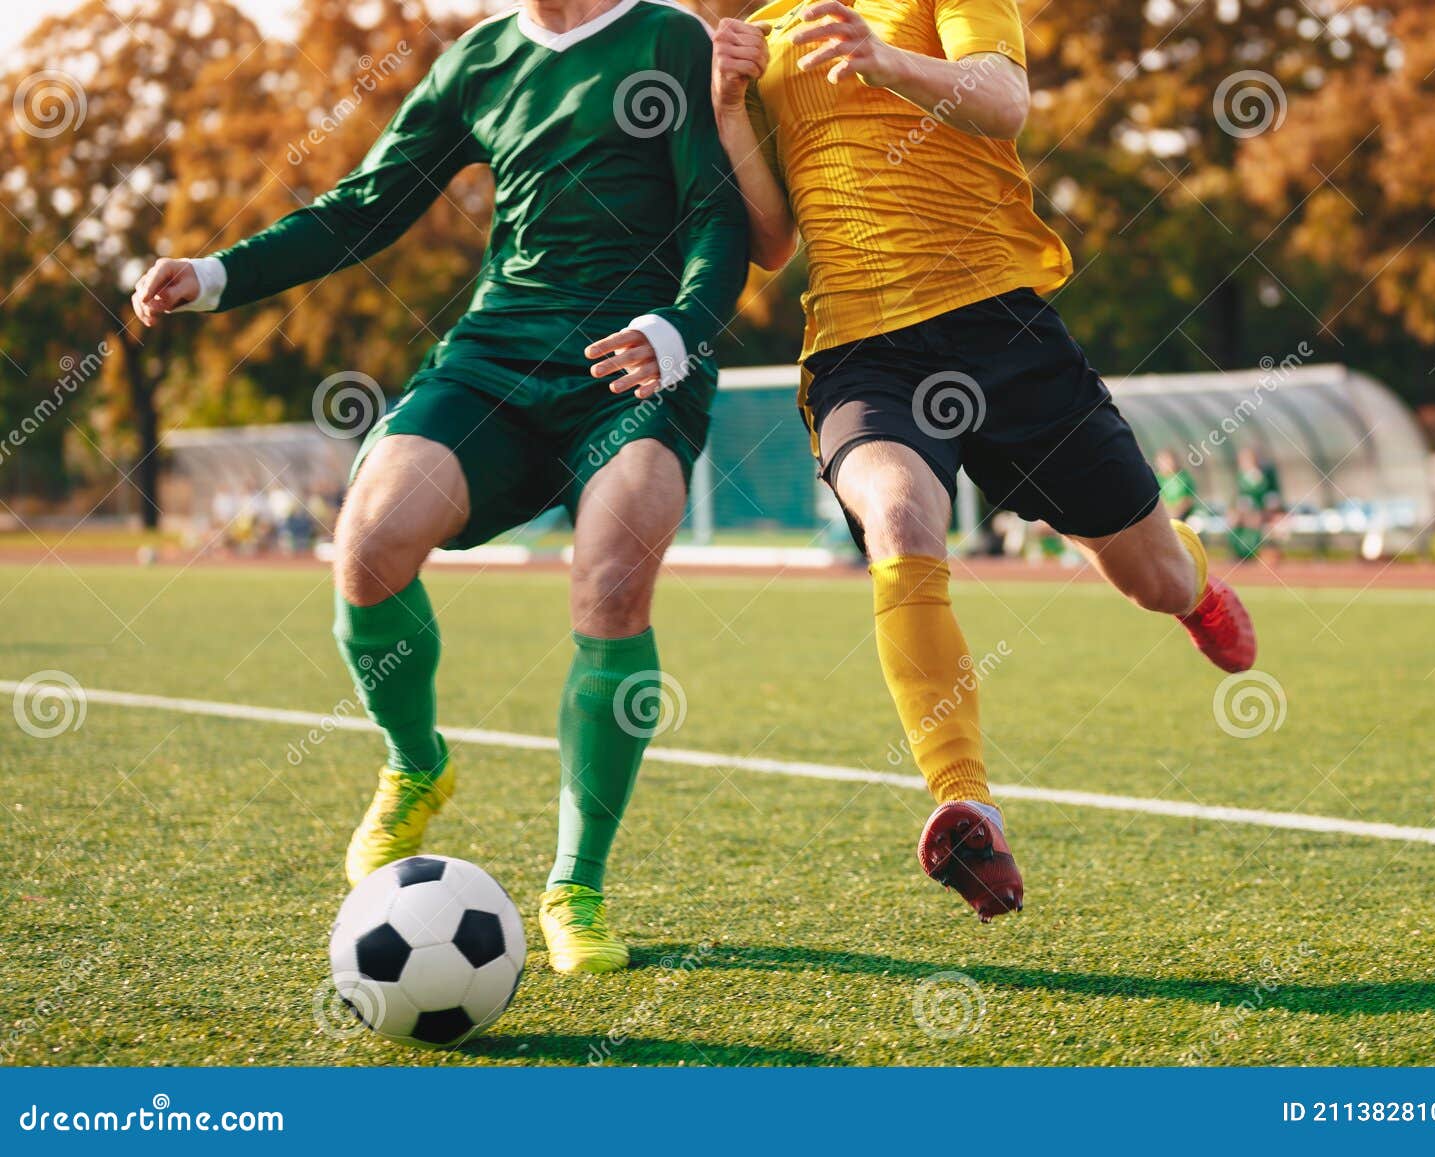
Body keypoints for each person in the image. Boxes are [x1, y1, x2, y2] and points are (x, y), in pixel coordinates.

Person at [132, 0, 748, 974]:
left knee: (613, 577)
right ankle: (416, 762)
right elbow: (368, 202)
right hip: (496, 354)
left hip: (635, 362)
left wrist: (680, 328)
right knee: (370, 541)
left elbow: (719, 211)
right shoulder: (480, 59)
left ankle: (575, 887)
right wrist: (215, 273)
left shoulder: (667, 37)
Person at [709, 0, 1256, 922]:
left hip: (1002, 328)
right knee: (898, 515)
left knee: (1151, 579)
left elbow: (1003, 100)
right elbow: (771, 243)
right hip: (861, 353)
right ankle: (964, 799)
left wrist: (887, 62)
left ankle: (1193, 579)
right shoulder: (758, 38)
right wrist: (729, 108)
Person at [1230, 446, 1283, 561]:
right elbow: (1239, 500)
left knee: (1256, 522)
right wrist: (1239, 513)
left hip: (1263, 514)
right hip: (1246, 513)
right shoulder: (1241, 477)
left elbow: (1273, 500)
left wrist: (1262, 514)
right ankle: (1239, 553)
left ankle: (1252, 554)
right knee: (1234, 520)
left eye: (1247, 459)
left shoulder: (1267, 476)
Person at [1154, 449, 1200, 523]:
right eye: (1161, 461)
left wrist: (1174, 514)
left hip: (1184, 519)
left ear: (1174, 461)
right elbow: (1158, 500)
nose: (1163, 464)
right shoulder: (1156, 479)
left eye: (1167, 460)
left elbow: (1187, 500)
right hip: (1165, 518)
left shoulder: (1183, 478)